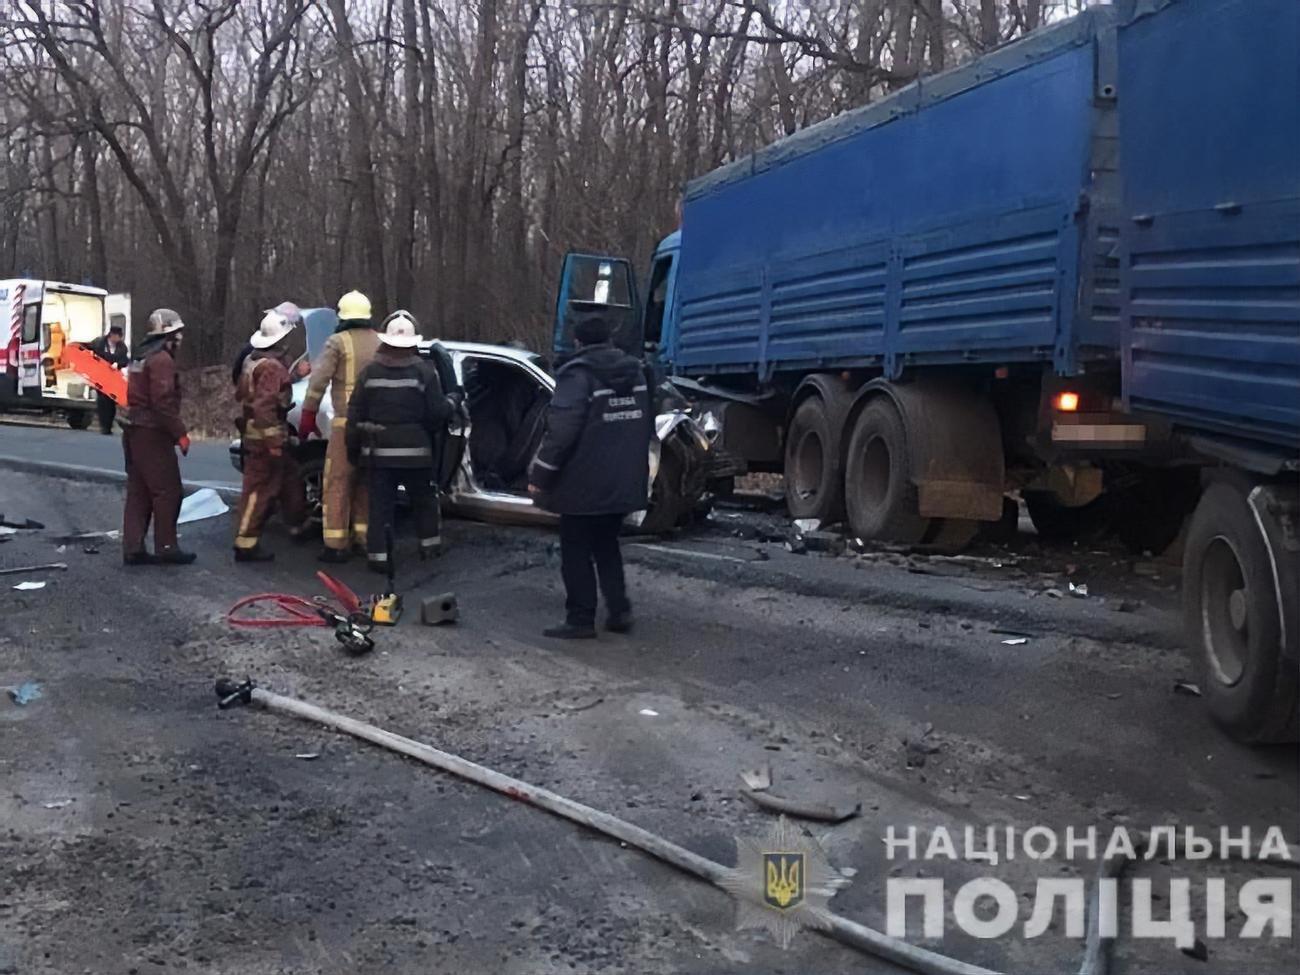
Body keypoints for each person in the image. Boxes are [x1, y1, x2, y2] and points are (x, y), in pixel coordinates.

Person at [527, 311, 652, 639]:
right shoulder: (637, 373)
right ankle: (619, 612)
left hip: (583, 481)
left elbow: (561, 433)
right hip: (623, 478)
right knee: (607, 545)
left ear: (578, 341)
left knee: (576, 549)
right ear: (609, 339)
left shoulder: (577, 375)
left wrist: (540, 476)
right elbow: (644, 425)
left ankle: (580, 618)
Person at [347, 311, 451, 571]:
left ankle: (379, 558)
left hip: (378, 455)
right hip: (417, 455)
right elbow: (436, 414)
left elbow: (355, 413)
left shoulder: (369, 372)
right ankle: (430, 549)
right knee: (424, 502)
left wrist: (353, 450)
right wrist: (453, 403)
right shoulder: (425, 372)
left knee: (380, 507)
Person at [299, 291, 380, 562]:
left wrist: (308, 415)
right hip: (375, 428)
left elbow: (318, 381)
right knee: (365, 483)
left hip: (346, 426)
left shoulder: (337, 342)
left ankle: (336, 544)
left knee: (338, 482)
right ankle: (364, 539)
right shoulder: (380, 341)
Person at [232, 310, 307, 562]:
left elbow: (256, 392)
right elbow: (264, 407)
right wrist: (274, 442)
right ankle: (245, 543)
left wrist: (295, 376)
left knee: (290, 478)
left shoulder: (253, 360)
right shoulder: (272, 367)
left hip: (257, 436)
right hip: (265, 441)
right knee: (259, 491)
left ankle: (297, 524)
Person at [122, 308, 195, 566]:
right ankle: (167, 547)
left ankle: (133, 548)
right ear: (168, 335)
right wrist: (180, 433)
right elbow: (162, 402)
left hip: (134, 430)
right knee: (168, 490)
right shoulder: (162, 360)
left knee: (139, 491)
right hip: (152, 433)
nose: (180, 339)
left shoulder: (140, 356)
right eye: (177, 333)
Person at [231, 301, 303, 385]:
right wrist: (298, 374)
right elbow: (277, 387)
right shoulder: (268, 365)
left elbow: (236, 377)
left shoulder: (251, 354)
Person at [89, 323, 129, 434]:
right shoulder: (99, 343)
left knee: (111, 401)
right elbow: (91, 353)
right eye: (117, 336)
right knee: (103, 401)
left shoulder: (122, 347)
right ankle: (104, 426)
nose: (118, 339)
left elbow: (125, 360)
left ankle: (109, 424)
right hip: (100, 375)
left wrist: (117, 364)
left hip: (113, 377)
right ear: (112, 335)